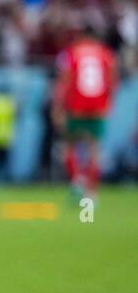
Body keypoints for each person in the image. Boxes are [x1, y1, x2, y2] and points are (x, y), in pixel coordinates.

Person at [53, 33, 117, 198]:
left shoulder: (72, 53)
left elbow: (64, 80)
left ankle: (77, 181)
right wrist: (109, 102)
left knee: (69, 146)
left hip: (76, 107)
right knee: (94, 149)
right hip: (97, 108)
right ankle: (92, 193)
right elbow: (112, 80)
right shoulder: (105, 53)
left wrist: (58, 106)